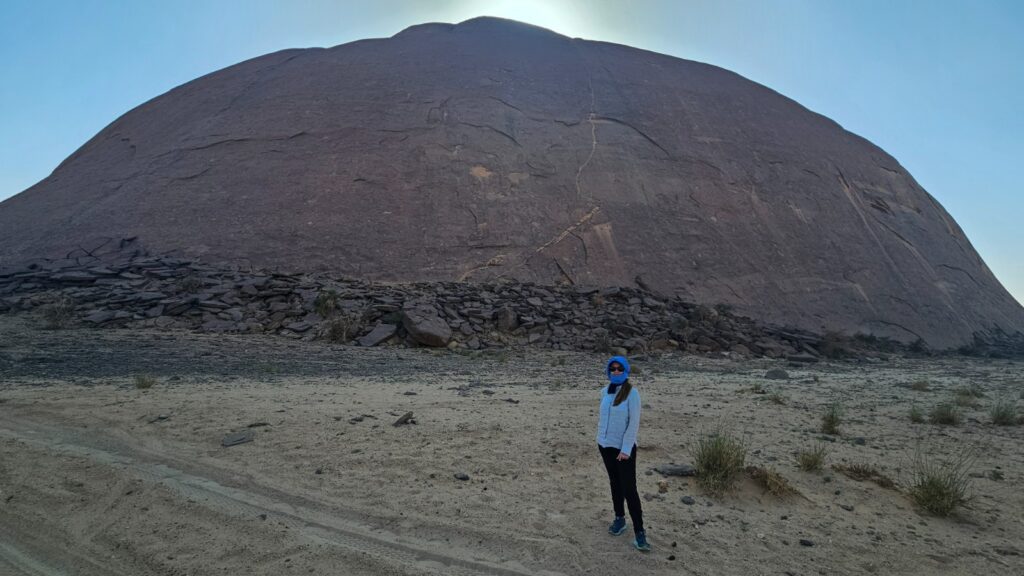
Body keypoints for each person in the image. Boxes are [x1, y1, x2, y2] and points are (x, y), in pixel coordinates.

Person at [596, 355, 649, 552]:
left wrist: (626, 449)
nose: (616, 371)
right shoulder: (604, 392)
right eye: (613, 369)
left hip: (623, 450)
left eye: (619, 369)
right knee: (615, 483)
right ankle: (619, 518)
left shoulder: (632, 394)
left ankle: (640, 532)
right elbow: (604, 419)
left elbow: (633, 424)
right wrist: (600, 440)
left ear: (626, 371)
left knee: (629, 489)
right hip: (605, 446)